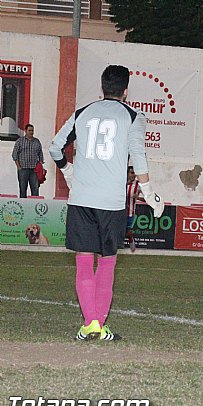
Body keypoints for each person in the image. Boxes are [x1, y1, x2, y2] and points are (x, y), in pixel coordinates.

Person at [49, 65, 164, 341]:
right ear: (126, 91)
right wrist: (149, 192)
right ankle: (98, 324)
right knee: (108, 263)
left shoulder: (82, 113)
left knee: (84, 263)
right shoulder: (134, 116)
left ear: (102, 88)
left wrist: (68, 171)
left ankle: (91, 323)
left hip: (82, 200)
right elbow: (138, 154)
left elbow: (55, 147)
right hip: (111, 203)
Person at [12, 123, 44, 198]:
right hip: (23, 169)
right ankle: (23, 207)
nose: (31, 132)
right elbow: (14, 155)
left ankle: (34, 207)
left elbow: (40, 154)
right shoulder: (20, 141)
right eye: (29, 130)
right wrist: (19, 167)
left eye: (32, 130)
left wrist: (40, 167)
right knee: (23, 190)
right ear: (25, 131)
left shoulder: (37, 141)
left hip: (34, 170)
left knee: (35, 190)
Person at [126, 165, 144, 253]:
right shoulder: (121, 183)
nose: (134, 175)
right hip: (118, 212)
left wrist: (138, 197)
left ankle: (131, 239)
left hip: (130, 212)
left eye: (135, 173)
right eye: (132, 173)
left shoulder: (138, 185)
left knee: (127, 232)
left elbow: (147, 198)